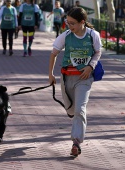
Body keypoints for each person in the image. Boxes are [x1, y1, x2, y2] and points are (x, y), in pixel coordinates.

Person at [48, 7, 102, 157]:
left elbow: (98, 52)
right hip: (66, 78)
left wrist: (90, 66)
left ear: (82, 22)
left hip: (84, 79)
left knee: (80, 109)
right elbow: (53, 54)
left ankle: (76, 142)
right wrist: (50, 74)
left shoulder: (93, 35)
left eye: (72, 23)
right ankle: (72, 112)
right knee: (71, 109)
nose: (69, 26)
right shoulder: (65, 36)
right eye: (67, 22)